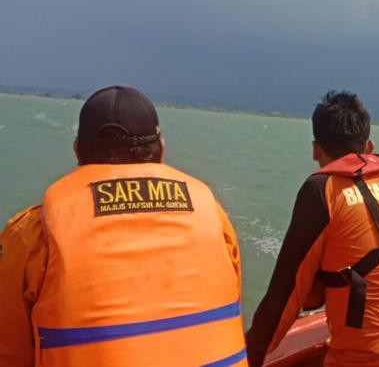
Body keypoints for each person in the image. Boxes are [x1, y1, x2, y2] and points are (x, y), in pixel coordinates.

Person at [0, 86, 247, 367]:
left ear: (77, 150)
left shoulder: (32, 235)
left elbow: (8, 352)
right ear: (161, 150)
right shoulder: (215, 220)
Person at [245, 91, 379, 367]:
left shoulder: (322, 191)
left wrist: (244, 357)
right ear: (369, 146)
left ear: (316, 149)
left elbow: (283, 298)